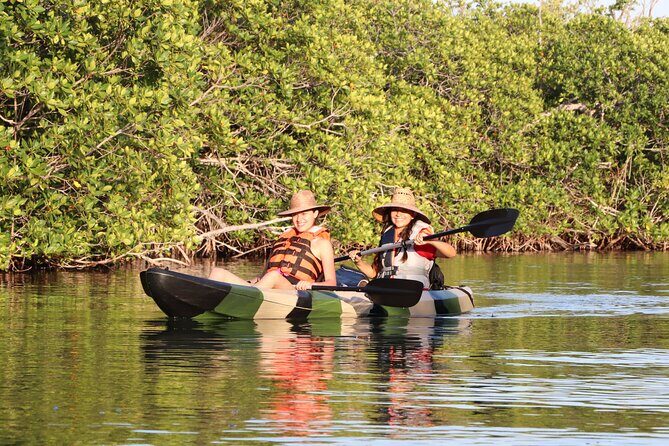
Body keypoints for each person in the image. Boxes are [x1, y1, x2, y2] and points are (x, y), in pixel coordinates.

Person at [209, 190, 337, 291]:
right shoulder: (283, 240)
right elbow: (265, 275)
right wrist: (251, 281)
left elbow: (332, 283)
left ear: (315, 213)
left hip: (296, 291)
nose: (299, 219)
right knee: (218, 273)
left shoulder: (322, 244)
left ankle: (247, 299)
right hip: (267, 287)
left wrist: (310, 284)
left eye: (304, 214)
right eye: (295, 214)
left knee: (274, 276)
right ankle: (202, 301)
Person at [348, 188, 456, 289]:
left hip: (415, 292)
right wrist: (358, 262)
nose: (398, 214)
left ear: (412, 214)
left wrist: (431, 241)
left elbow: (451, 253)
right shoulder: (387, 235)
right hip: (388, 290)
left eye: (404, 210)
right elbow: (374, 273)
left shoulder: (421, 233)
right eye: (394, 209)